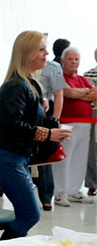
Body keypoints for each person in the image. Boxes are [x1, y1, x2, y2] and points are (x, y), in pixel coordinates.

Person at [0, 31, 71, 240]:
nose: (46, 53)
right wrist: (48, 133)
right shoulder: (17, 85)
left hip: (14, 155)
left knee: (27, 213)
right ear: (27, 52)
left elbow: (22, 121)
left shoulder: (29, 83)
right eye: (41, 49)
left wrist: (48, 123)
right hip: (6, 156)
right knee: (30, 213)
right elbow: (11, 125)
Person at [52, 47, 97, 207]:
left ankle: (73, 191)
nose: (73, 62)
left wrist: (80, 92)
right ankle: (60, 192)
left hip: (85, 124)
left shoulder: (82, 78)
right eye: (70, 59)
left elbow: (95, 94)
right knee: (65, 158)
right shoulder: (59, 77)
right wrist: (84, 93)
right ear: (63, 61)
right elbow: (68, 93)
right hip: (66, 124)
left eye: (76, 59)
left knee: (80, 158)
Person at [36, 38, 68, 211]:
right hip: (27, 116)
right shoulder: (23, 67)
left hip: (45, 115)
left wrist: (55, 119)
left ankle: (46, 198)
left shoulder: (53, 68)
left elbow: (59, 94)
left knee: (44, 158)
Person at [83, 47, 97, 197]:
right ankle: (92, 184)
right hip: (93, 114)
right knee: (92, 151)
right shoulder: (88, 74)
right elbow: (89, 95)